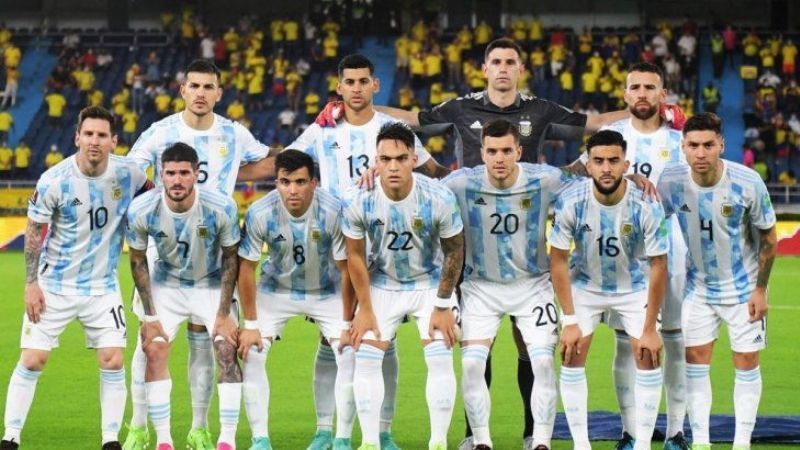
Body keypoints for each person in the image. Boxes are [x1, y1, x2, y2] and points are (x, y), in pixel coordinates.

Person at [288, 54, 448, 450]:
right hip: (335, 247)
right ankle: (326, 430)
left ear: (376, 85)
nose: (357, 88)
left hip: (383, 250)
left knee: (381, 338)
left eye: (364, 81)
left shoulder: (392, 132)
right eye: (350, 82)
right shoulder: (322, 129)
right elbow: (287, 163)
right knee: (333, 339)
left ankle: (382, 432)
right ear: (339, 87)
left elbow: (434, 171)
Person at [124, 59, 273, 450]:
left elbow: (267, 164)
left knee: (207, 345)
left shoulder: (234, 133)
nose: (201, 93)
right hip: (164, 254)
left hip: (214, 253)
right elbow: (131, 172)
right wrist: (158, 200)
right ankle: (138, 427)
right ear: (183, 90)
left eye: (209, 87)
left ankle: (200, 428)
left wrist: (317, 138)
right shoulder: (161, 132)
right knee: (149, 341)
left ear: (219, 93)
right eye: (195, 86)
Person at [1, 106, 151, 450]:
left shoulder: (129, 174)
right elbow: (34, 232)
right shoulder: (54, 180)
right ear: (77, 138)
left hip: (102, 287)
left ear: (113, 141)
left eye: (102, 135)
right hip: (54, 286)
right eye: (88, 134)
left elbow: (154, 198)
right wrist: (31, 283)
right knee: (33, 359)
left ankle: (110, 440)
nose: (94, 141)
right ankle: (10, 437)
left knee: (112, 359)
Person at [442, 119, 578, 450]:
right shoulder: (461, 183)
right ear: (482, 153)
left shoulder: (545, 179)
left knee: (543, 361)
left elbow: (590, 183)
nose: (499, 158)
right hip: (480, 288)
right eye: (492, 151)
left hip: (533, 286)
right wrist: (375, 174)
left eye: (506, 151)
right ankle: (481, 442)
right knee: (472, 364)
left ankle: (540, 441)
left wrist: (633, 179)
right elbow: (420, 191)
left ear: (519, 151)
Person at [657, 113, 777, 450]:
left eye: (708, 145)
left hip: (744, 290)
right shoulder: (671, 180)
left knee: (746, 363)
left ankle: (741, 443)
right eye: (693, 145)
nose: (701, 153)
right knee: (695, 362)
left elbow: (769, 237)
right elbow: (652, 222)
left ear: (721, 145)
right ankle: (701, 443)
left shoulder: (748, 181)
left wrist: (760, 289)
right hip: (698, 289)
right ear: (683, 147)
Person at [585, 62, 689, 450]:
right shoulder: (612, 139)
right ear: (625, 94)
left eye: (650, 87)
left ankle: (676, 432)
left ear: (663, 95)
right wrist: (622, 178)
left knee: (673, 341)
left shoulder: (682, 140)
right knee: (625, 344)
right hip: (623, 254)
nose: (642, 93)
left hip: (673, 251)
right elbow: (584, 177)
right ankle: (630, 431)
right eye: (635, 87)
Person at [342, 122, 464, 450]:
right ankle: (370, 443)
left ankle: (438, 443)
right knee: (366, 356)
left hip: (430, 284)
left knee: (440, 355)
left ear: (414, 159)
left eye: (400, 158)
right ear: (376, 161)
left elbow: (454, 251)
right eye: (385, 159)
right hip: (383, 282)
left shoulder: (439, 197)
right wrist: (365, 309)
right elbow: (355, 256)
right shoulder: (359, 199)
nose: (393, 166)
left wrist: (443, 305)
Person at [550, 129, 668, 450]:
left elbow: (660, 265)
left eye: (613, 161)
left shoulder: (647, 203)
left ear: (625, 165)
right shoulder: (571, 200)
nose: (606, 168)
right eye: (599, 161)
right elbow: (558, 259)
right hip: (585, 286)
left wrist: (650, 329)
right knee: (571, 354)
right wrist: (570, 321)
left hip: (633, 287)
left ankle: (642, 444)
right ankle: (581, 445)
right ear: (588, 165)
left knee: (648, 355)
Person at [126, 143, 242, 450]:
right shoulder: (142, 208)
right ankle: (157, 437)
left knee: (227, 349)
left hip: (210, 282)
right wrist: (150, 316)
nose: (176, 180)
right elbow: (137, 260)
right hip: (166, 283)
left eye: (184, 173)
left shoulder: (221, 207)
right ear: (161, 174)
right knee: (152, 348)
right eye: (170, 173)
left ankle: (222, 438)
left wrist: (223, 315)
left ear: (196, 174)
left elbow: (231, 258)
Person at [237, 150, 356, 450]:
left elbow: (347, 270)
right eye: (285, 182)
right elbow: (246, 269)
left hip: (327, 289)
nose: (292, 190)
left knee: (348, 352)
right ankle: (260, 440)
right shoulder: (260, 212)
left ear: (314, 183)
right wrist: (249, 324)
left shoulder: (334, 211)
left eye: (301, 182)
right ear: (276, 182)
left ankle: (338, 437)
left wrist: (346, 324)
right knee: (252, 352)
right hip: (275, 289)